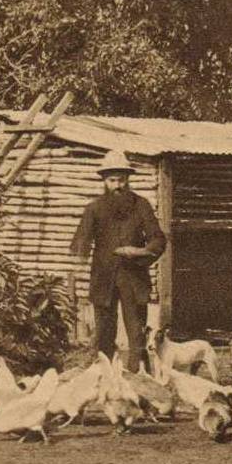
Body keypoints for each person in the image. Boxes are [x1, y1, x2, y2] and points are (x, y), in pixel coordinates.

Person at [70, 150, 166, 372]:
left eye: (121, 179)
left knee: (136, 331)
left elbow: (158, 238)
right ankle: (106, 375)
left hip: (134, 276)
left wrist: (140, 251)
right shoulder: (94, 208)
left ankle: (138, 376)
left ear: (128, 180)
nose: (117, 185)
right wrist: (79, 262)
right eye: (112, 180)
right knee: (104, 331)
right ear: (104, 181)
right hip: (103, 278)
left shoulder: (141, 205)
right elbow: (80, 243)